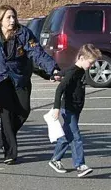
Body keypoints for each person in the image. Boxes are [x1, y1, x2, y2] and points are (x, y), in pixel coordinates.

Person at [0, 5, 60, 164]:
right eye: (8, 17)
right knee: (6, 115)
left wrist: (53, 69)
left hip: (20, 76)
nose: (13, 20)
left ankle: (3, 137)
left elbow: (37, 53)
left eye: (14, 17)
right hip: (0, 78)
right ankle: (10, 153)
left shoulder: (23, 33)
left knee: (23, 110)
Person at [48, 44, 101, 178]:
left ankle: (55, 160)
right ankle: (80, 165)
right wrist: (56, 108)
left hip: (75, 108)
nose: (92, 65)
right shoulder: (74, 71)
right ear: (82, 58)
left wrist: (57, 75)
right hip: (68, 108)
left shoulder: (78, 70)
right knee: (76, 137)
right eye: (91, 62)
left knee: (67, 136)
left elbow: (65, 72)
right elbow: (60, 89)